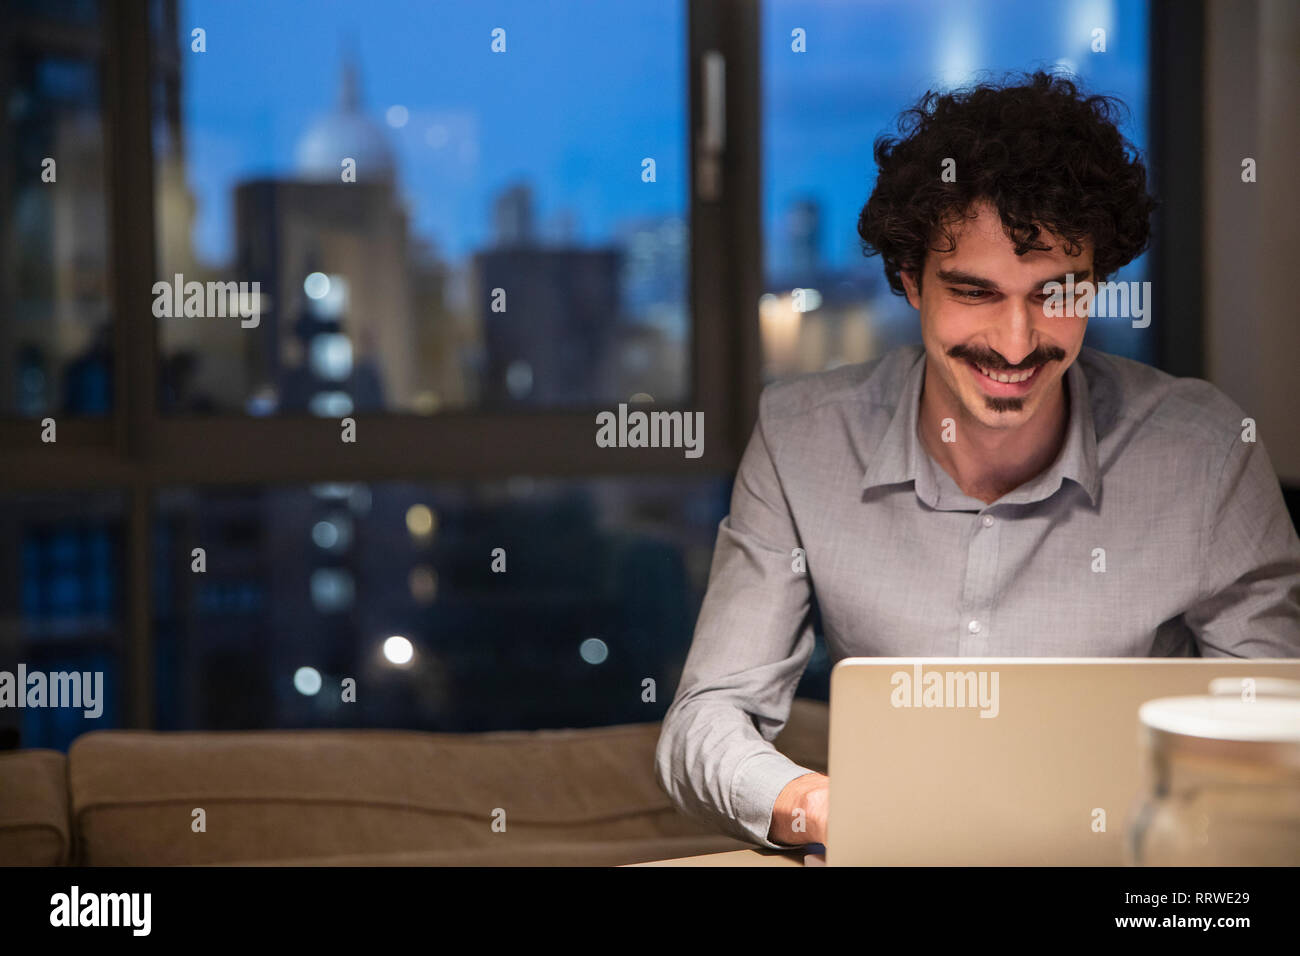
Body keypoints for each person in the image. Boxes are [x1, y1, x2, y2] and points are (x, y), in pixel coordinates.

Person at [655, 71, 1300, 850]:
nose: (1017, 342)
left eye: (1055, 294)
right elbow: (704, 718)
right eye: (975, 292)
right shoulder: (804, 440)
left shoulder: (1204, 455)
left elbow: (1278, 731)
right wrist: (819, 808)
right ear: (909, 283)